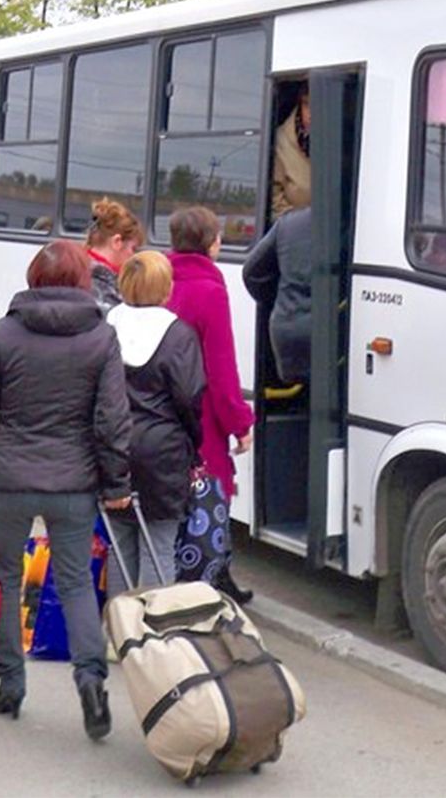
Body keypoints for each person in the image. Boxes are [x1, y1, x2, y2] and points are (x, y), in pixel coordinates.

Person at [0, 239, 131, 740]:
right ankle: (91, 681)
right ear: (81, 281)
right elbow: (112, 422)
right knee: (74, 583)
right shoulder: (101, 337)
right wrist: (116, 484)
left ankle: (10, 682)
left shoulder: (4, 335)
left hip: (9, 479)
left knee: (5, 578)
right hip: (74, 482)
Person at [166, 206, 256, 604]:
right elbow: (221, 369)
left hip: (154, 412)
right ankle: (210, 580)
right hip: (200, 418)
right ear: (210, 242)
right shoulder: (210, 291)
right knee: (210, 496)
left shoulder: (158, 279)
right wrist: (240, 422)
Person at [105, 251, 206, 597]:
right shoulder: (178, 335)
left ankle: (117, 628)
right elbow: (190, 399)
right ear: (166, 288)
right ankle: (150, 634)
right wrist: (194, 448)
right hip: (162, 452)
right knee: (158, 545)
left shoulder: (106, 327)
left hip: (113, 448)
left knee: (119, 547)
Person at [243, 206, 313, 385]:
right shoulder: (352, 224)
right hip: (329, 335)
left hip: (286, 328)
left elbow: (252, 272)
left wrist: (280, 302)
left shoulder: (288, 223)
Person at [86, 197, 144, 313]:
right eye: (133, 249)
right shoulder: (105, 288)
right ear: (117, 242)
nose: (134, 256)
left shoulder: (77, 272)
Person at [270, 83, 311, 218]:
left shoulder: (338, 140)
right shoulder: (281, 141)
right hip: (293, 231)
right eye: (307, 105)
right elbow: (274, 199)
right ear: (300, 105)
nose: (311, 114)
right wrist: (299, 224)